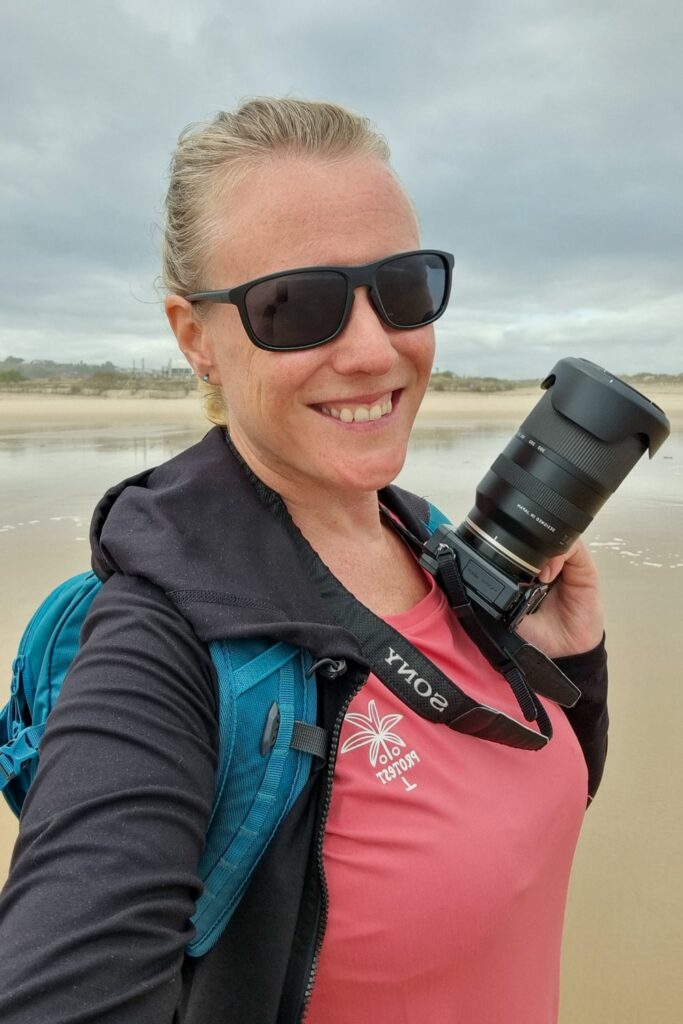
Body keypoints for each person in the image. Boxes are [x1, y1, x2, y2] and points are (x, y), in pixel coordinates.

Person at [0, 98, 607, 1023]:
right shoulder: (156, 647)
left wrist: (570, 670)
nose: (374, 349)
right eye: (295, 305)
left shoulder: (427, 537)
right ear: (194, 337)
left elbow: (522, 814)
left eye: (402, 287)